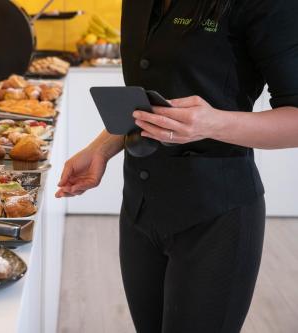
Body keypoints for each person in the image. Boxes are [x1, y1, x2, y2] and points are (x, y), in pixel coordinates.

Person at [55, 0, 298, 332]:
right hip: (140, 209)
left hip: (215, 215)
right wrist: (101, 147)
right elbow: (153, 99)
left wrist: (213, 124)